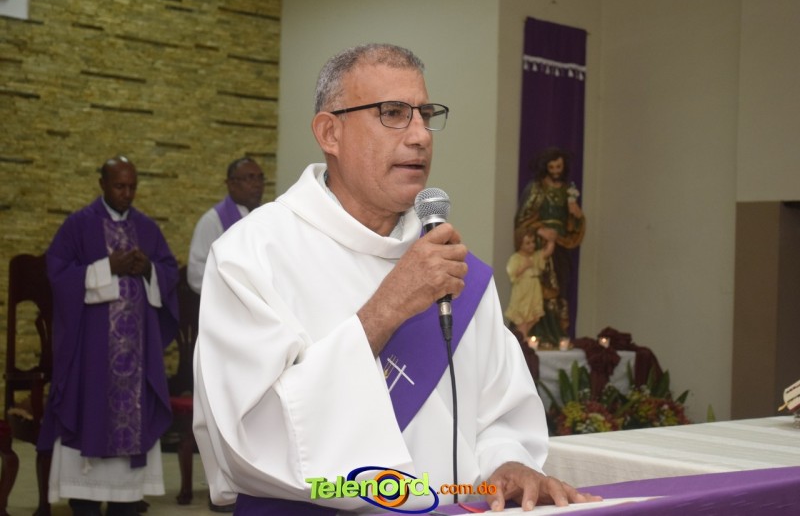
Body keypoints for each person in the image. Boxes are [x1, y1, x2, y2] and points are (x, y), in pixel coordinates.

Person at [193, 43, 599, 514]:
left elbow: (501, 413)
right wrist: (385, 310)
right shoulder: (252, 256)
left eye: (425, 114)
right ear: (330, 132)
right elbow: (245, 438)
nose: (421, 135)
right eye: (393, 113)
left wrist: (506, 463)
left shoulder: (457, 269)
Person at [38, 156, 179, 516]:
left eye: (132, 186)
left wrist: (148, 268)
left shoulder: (146, 228)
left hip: (136, 357)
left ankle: (126, 500)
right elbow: (58, 274)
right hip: (92, 354)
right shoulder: (78, 225)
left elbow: (169, 272)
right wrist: (107, 268)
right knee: (89, 411)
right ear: (102, 184)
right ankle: (84, 497)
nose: (127, 193)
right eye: (119, 186)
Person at [514, 147, 586, 346]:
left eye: (558, 167)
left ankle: (555, 333)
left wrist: (576, 214)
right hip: (539, 247)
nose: (555, 171)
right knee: (538, 288)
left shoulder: (567, 191)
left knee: (560, 287)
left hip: (561, 247)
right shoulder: (537, 189)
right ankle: (536, 334)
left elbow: (574, 223)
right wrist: (540, 230)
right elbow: (522, 219)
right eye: (551, 167)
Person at [187, 157, 265, 293]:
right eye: (250, 178)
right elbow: (196, 273)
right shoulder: (212, 221)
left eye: (260, 178)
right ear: (231, 184)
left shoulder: (266, 218)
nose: (257, 184)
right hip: (227, 299)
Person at [505, 227, 556, 339]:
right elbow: (512, 274)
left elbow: (548, 251)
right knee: (523, 318)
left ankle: (523, 338)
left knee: (532, 318)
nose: (532, 245)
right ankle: (522, 340)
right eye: (527, 243)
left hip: (534, 291)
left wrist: (549, 238)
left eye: (533, 242)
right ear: (520, 243)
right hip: (523, 292)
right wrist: (524, 267)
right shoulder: (516, 258)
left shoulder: (535, 256)